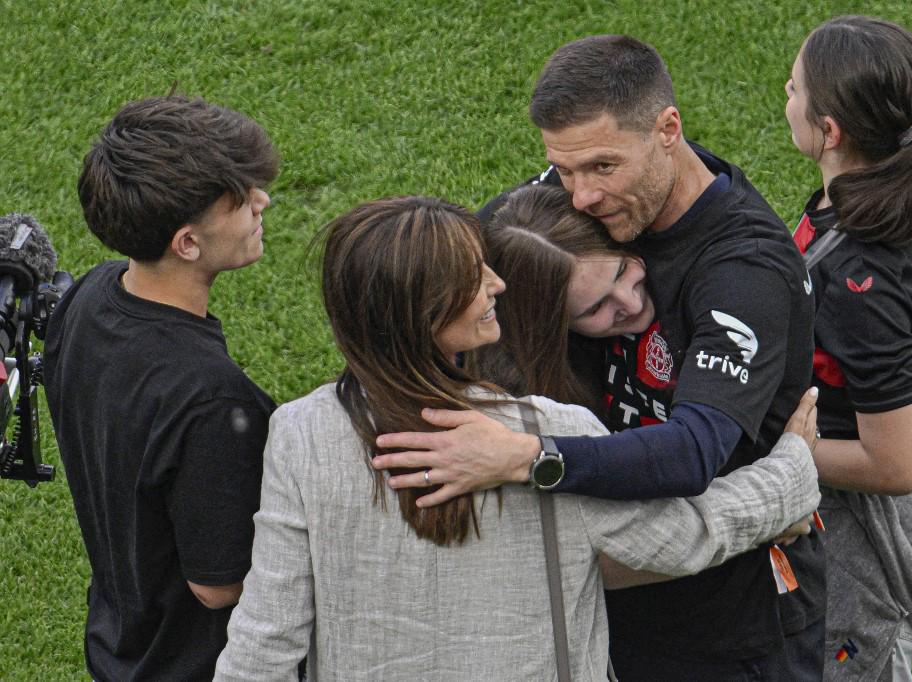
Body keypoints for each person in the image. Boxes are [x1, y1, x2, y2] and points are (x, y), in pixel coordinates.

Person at [213, 196, 822, 680]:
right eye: (472, 279)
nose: (497, 284)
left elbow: (267, 635)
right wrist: (791, 470)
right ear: (425, 316)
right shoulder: (550, 433)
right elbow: (688, 535)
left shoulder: (300, 433)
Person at [375, 35, 825, 680]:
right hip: (596, 607)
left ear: (667, 129)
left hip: (728, 626)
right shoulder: (565, 207)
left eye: (602, 168)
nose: (579, 197)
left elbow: (694, 451)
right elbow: (436, 316)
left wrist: (527, 458)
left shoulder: (741, 267)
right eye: (563, 170)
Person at [44, 96, 279, 681]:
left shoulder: (93, 295)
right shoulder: (210, 400)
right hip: (193, 665)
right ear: (188, 244)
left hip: (122, 641)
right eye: (242, 199)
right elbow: (218, 586)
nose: (263, 201)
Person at [784, 16, 912, 679]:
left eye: (792, 90)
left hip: (856, 519)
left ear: (830, 132)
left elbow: (894, 463)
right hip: (835, 496)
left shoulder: (858, 281)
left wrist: (782, 451)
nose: (786, 101)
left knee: (856, 659)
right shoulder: (864, 201)